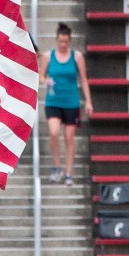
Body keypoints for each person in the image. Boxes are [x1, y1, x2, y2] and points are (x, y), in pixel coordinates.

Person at [39, 23, 93, 187]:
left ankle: (69, 173)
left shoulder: (77, 57)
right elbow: (41, 75)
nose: (63, 45)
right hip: (53, 101)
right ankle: (57, 166)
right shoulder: (48, 56)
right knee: (54, 132)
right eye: (60, 41)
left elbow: (83, 79)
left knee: (69, 138)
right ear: (57, 40)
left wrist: (88, 101)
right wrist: (45, 80)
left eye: (66, 42)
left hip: (71, 102)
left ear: (69, 41)